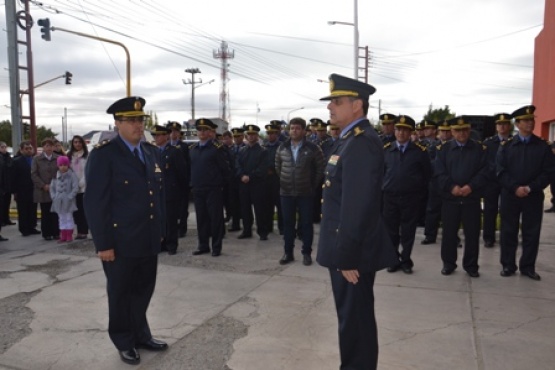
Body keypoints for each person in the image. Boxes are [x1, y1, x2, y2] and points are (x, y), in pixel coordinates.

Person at [316, 73, 397, 370]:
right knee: (351, 320)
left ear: (357, 105)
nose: (330, 108)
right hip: (346, 249)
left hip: (352, 254)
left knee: (356, 322)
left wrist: (347, 256)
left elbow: (358, 206)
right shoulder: (348, 140)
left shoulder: (361, 143)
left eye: (337, 102)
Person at [84, 96, 168, 365]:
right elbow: (96, 203)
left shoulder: (151, 151)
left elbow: (158, 194)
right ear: (117, 123)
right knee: (120, 293)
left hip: (147, 237)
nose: (137, 125)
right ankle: (123, 340)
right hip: (120, 242)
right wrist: (103, 244)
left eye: (140, 120)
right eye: (130, 120)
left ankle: (141, 335)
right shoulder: (104, 154)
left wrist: (161, 230)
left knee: (143, 290)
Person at [496, 105, 555, 280]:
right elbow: (500, 171)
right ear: (518, 123)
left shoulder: (542, 146)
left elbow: (548, 172)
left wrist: (530, 188)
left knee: (531, 232)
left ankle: (528, 266)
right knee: (508, 231)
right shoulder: (506, 146)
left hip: (533, 196)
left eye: (532, 120)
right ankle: (508, 265)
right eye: (526, 120)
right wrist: (515, 188)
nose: (530, 123)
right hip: (510, 195)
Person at [435, 116, 488, 277]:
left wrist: (471, 187)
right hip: (451, 199)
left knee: (472, 234)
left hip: (471, 199)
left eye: (465, 130)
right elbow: (438, 172)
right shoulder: (443, 150)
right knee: (449, 234)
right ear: (452, 131)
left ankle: (471, 265)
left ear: (469, 130)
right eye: (458, 130)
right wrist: (452, 187)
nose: (462, 133)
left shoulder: (480, 149)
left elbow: (485, 171)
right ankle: (448, 264)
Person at [382, 115, 432, 274]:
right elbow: (380, 173)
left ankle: (406, 261)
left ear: (410, 132)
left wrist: (418, 193)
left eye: (404, 130)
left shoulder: (420, 152)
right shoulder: (387, 150)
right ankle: (393, 260)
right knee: (391, 232)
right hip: (390, 197)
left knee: (408, 232)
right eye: (398, 129)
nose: (401, 133)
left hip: (411, 198)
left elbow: (427, 175)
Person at [275, 117, 325, 266]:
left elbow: (320, 169)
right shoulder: (282, 147)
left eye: (297, 128)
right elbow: (278, 167)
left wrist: (311, 185)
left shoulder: (313, 148)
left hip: (306, 193)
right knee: (288, 224)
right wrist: (286, 181)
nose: (294, 131)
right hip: (287, 192)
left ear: (304, 131)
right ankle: (288, 252)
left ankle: (306, 254)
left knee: (306, 224)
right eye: (291, 128)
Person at [189, 118, 231, 257]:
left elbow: (225, 169)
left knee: (215, 219)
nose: (202, 132)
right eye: (199, 130)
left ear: (210, 132)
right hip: (198, 188)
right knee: (201, 219)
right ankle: (203, 245)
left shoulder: (216, 149)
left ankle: (216, 247)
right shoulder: (193, 149)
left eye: (205, 130)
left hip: (213, 189)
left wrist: (221, 186)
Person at [152, 124, 188, 255]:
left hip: (171, 192)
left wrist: (182, 191)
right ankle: (162, 243)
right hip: (158, 191)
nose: (156, 138)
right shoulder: (154, 152)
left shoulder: (174, 151)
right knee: (160, 219)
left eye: (159, 135)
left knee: (171, 220)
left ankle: (172, 244)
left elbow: (181, 172)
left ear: (166, 136)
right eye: (155, 135)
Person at [482, 113, 512, 247]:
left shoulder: (514, 142)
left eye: (505, 124)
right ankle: (489, 237)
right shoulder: (488, 143)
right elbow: (484, 162)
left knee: (508, 210)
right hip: (492, 181)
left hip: (508, 182)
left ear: (510, 126)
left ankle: (507, 237)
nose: (502, 126)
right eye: (500, 124)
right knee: (490, 210)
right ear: (496, 127)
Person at [235, 124, 270, 240]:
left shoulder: (262, 151)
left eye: (253, 134)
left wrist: (249, 176)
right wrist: (241, 175)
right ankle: (246, 230)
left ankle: (262, 232)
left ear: (257, 136)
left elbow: (263, 168)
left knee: (260, 209)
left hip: (257, 184)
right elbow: (237, 164)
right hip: (243, 184)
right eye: (248, 134)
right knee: (245, 209)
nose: (250, 137)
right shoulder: (242, 150)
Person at [31, 138, 59, 240]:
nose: (49, 148)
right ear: (43, 147)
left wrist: (56, 184)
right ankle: (46, 233)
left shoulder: (58, 158)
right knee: (45, 211)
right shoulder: (37, 159)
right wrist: (43, 185)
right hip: (43, 190)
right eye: (47, 146)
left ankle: (56, 232)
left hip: (56, 188)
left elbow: (62, 172)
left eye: (51, 146)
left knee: (55, 212)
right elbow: (34, 174)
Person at [166, 121, 191, 238]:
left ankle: (182, 228)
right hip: (170, 182)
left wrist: (188, 181)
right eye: (171, 131)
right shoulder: (166, 146)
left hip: (182, 181)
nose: (173, 134)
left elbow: (188, 164)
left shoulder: (185, 147)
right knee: (172, 208)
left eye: (176, 131)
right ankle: (173, 228)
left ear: (179, 133)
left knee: (182, 207)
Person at [12, 141, 40, 237]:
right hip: (21, 190)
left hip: (33, 189)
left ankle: (32, 227)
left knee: (32, 209)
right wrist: (14, 191)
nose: (29, 150)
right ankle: (24, 229)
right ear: (21, 150)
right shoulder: (16, 161)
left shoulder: (35, 160)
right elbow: (13, 177)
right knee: (23, 210)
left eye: (30, 148)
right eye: (26, 149)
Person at [49, 156, 79, 243]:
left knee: (69, 217)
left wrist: (70, 197)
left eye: (65, 165)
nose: (63, 167)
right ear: (58, 166)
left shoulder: (72, 175)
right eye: (61, 165)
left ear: (68, 165)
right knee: (61, 218)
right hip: (58, 201)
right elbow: (52, 188)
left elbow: (75, 187)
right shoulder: (55, 177)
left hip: (68, 201)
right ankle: (63, 234)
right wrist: (54, 197)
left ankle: (69, 234)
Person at [263, 122, 283, 235]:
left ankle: (282, 227)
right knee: (267, 205)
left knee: (280, 205)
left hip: (278, 179)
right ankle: (268, 227)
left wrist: (274, 169)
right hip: (266, 180)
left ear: (277, 134)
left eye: (272, 133)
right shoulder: (264, 146)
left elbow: (284, 161)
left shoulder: (282, 146)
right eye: (268, 133)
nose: (270, 135)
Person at [67, 135, 89, 239]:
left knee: (83, 209)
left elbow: (88, 171)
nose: (77, 144)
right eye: (75, 142)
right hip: (73, 187)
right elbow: (67, 171)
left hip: (84, 186)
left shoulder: (87, 156)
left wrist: (81, 183)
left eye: (79, 142)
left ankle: (84, 231)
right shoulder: (69, 156)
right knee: (76, 210)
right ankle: (79, 230)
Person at [0, 141, 15, 226]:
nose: (4, 149)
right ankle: (1, 220)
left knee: (7, 203)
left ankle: (6, 218)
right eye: (2, 147)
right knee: (1, 205)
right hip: (1, 184)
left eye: (5, 147)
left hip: (8, 184)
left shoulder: (8, 157)